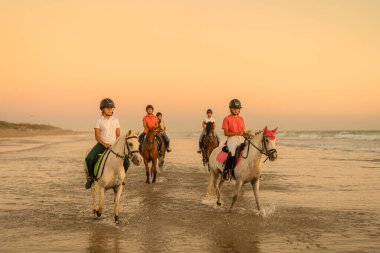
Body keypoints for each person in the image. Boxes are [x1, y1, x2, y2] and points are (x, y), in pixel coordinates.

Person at [85, 98, 130, 189]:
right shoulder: (99, 120)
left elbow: (118, 135)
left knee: (127, 161)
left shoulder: (116, 120)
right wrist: (104, 144)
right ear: (102, 109)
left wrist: (118, 145)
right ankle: (90, 177)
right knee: (89, 158)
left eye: (111, 108)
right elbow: (97, 136)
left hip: (114, 145)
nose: (110, 110)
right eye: (107, 108)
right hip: (102, 144)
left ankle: (121, 177)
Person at [221, 99, 246, 180]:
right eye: (234, 108)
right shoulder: (226, 118)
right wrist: (237, 133)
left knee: (250, 149)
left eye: (238, 108)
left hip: (241, 138)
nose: (236, 110)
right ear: (230, 109)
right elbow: (226, 133)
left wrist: (250, 135)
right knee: (233, 152)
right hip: (231, 139)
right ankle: (226, 171)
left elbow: (243, 132)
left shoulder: (241, 118)